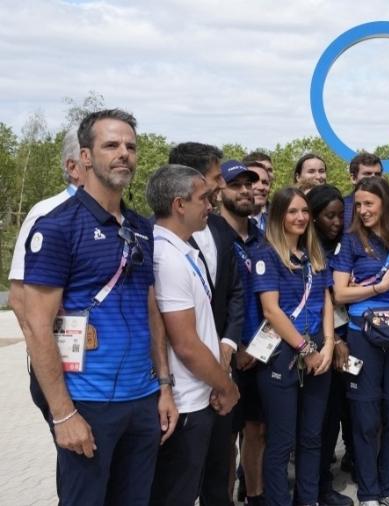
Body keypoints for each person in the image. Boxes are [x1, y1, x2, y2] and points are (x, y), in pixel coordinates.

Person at [22, 109, 177, 504]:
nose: (123, 153)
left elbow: (150, 309)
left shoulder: (142, 227)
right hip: (86, 403)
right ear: (86, 157)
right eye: (111, 145)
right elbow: (37, 326)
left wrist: (163, 387)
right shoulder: (57, 226)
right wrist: (62, 414)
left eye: (130, 146)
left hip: (142, 401)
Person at [147, 164, 240, 506]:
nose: (211, 206)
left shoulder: (184, 251)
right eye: (203, 198)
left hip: (199, 396)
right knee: (176, 494)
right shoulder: (165, 257)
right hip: (184, 404)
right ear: (179, 205)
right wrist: (226, 386)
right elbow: (185, 344)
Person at [332, 176, 389, 506]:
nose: (363, 210)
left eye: (369, 203)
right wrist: (378, 289)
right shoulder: (351, 241)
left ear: (384, 202)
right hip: (363, 336)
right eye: (359, 204)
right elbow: (340, 293)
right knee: (366, 415)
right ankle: (368, 490)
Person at [168, 144, 246, 506]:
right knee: (179, 483)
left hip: (220, 369)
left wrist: (227, 346)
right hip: (182, 386)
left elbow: (233, 293)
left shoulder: (220, 229)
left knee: (219, 472)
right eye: (215, 177)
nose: (219, 186)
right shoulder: (154, 241)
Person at [251, 187, 333, 506]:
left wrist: (326, 347)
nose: (300, 217)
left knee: (312, 438)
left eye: (304, 211)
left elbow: (327, 301)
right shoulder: (266, 254)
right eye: (292, 211)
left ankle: (308, 500)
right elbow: (271, 310)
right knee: (282, 442)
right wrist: (306, 350)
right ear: (278, 216)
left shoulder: (314, 254)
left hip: (318, 352)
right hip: (284, 353)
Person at [217, 160, 267, 506]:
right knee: (225, 436)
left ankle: (254, 495)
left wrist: (258, 347)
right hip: (225, 353)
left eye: (250, 184)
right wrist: (233, 348)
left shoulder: (264, 238)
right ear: (219, 191)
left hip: (262, 350)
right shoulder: (209, 235)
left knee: (257, 431)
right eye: (237, 185)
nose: (246, 190)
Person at [306, 185, 355, 506]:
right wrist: (334, 339)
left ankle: (328, 479)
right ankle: (316, 489)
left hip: (349, 337)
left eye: (340, 215)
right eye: (329, 216)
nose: (336, 222)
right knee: (320, 422)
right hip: (319, 341)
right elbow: (321, 301)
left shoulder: (346, 244)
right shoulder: (311, 249)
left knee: (341, 411)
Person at [8, 127, 83, 332]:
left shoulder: (124, 219)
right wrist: (46, 355)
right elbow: (18, 298)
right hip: (62, 358)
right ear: (73, 167)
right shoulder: (45, 213)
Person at [342, 152, 384, 230]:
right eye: (367, 174)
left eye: (377, 174)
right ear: (353, 178)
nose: (373, 178)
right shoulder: (342, 208)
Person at [246, 160, 272, 232]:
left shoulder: (277, 225)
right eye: (254, 181)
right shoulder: (222, 226)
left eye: (265, 183)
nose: (261, 187)